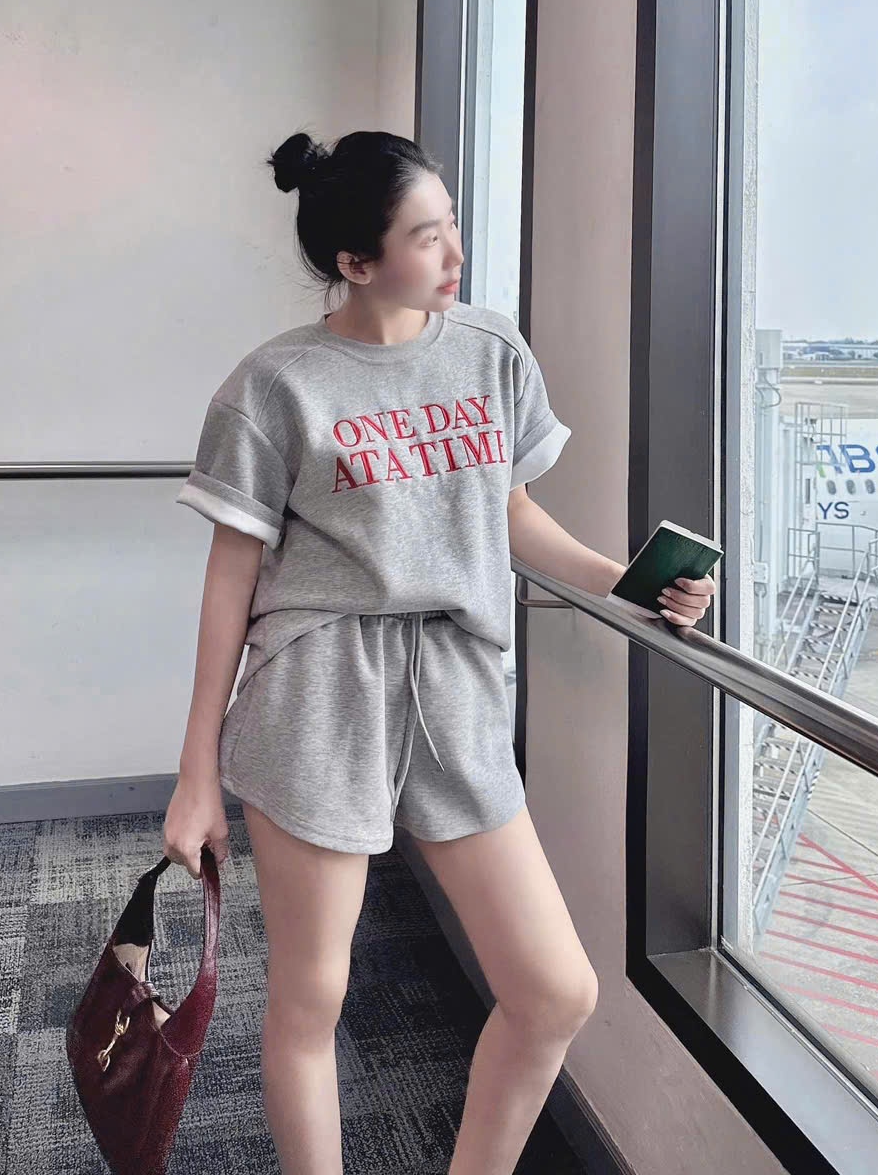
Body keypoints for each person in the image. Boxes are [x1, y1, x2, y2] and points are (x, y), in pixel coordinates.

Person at [163, 129, 714, 1174]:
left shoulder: (491, 351)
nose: (456, 252)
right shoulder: (274, 385)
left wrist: (624, 580)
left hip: (457, 683)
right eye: (427, 236)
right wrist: (197, 775)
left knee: (555, 990)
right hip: (319, 687)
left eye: (451, 221)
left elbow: (508, 512)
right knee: (311, 997)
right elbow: (231, 578)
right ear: (356, 262)